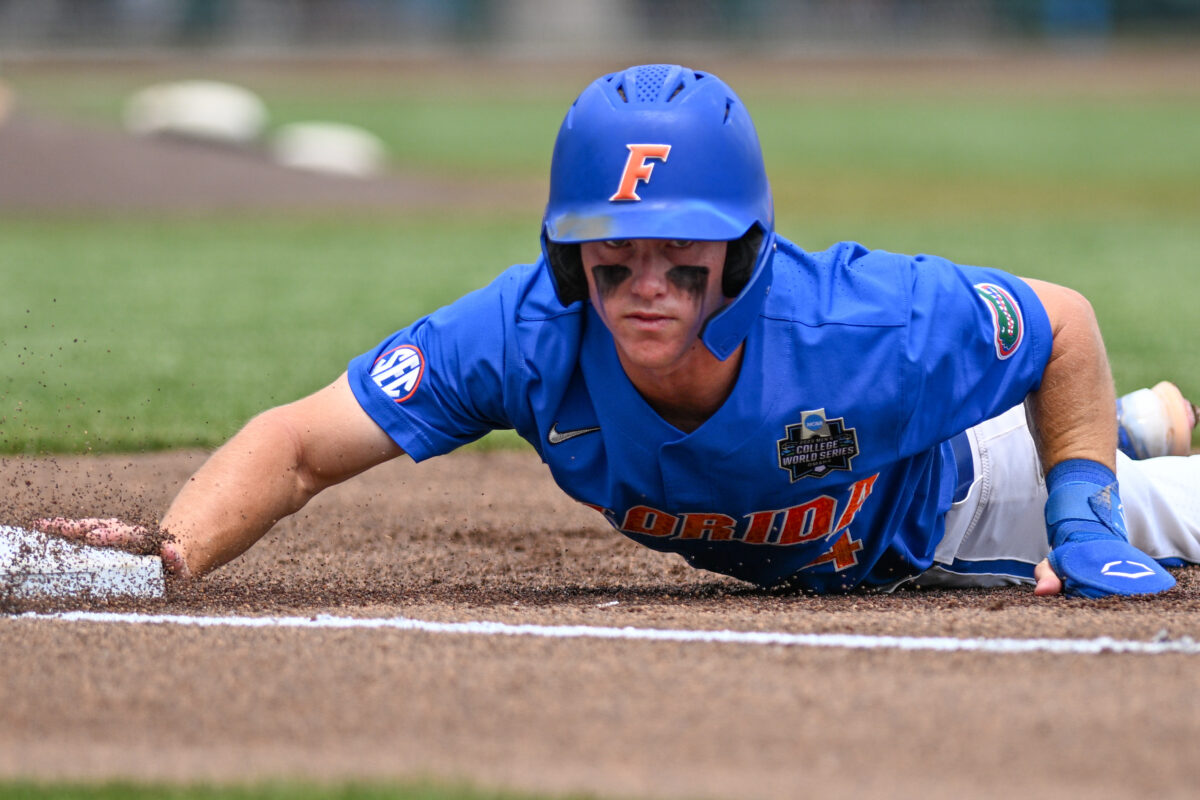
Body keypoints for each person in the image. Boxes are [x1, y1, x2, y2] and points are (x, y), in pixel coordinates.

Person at [39, 64, 1200, 598]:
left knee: (1156, 506)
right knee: (1132, 423)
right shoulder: (521, 334)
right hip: (882, 487)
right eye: (615, 252)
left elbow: (1061, 321)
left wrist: (1083, 516)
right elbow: (299, 442)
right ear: (567, 251)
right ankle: (1152, 421)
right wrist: (173, 547)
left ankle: (1128, 447)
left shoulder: (862, 319)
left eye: (682, 255)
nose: (647, 283)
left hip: (948, 497)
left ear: (741, 249)